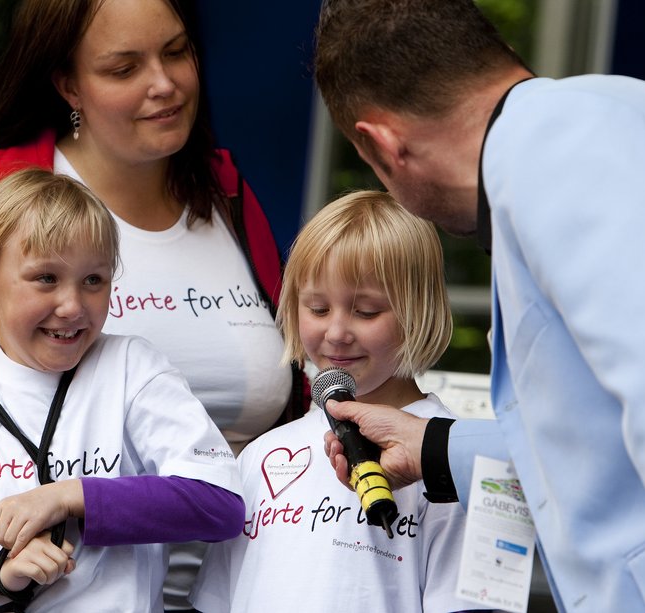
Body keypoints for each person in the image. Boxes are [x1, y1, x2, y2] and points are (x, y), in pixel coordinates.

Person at [0, 1, 303, 610]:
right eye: (124, 68)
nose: (164, 83)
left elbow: (265, 454)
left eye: (176, 52)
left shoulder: (228, 197)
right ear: (68, 83)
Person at [313, 1, 645, 611]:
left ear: (384, 146)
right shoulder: (599, 123)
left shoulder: (565, 152)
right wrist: (433, 448)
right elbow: (594, 438)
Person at [0, 168, 245, 612]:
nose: (72, 306)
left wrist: (68, 496)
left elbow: (218, 505)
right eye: (46, 278)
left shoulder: (132, 370)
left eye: (93, 280)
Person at [189, 191, 488, 613]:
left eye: (366, 312)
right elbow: (219, 600)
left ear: (419, 311)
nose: (336, 333)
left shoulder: (451, 458)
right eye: (317, 308)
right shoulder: (261, 454)